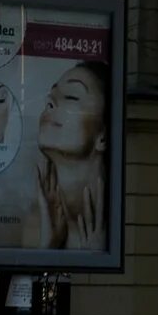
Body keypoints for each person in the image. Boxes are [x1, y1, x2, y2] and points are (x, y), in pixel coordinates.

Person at [25, 63, 109, 251]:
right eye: (50, 98)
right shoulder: (37, 221)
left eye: (71, 97)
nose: (50, 104)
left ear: (103, 136)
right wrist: (48, 248)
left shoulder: (116, 233)